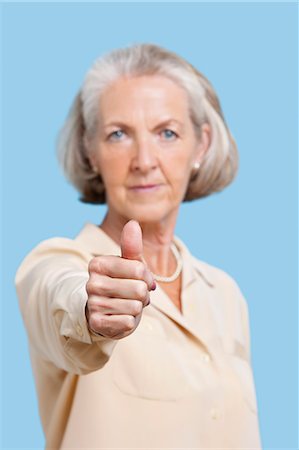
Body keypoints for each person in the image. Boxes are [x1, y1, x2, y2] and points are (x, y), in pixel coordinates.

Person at [15, 43, 262, 449]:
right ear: (90, 150)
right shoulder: (57, 263)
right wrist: (91, 310)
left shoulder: (227, 295)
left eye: (167, 133)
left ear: (200, 145)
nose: (144, 160)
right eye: (118, 134)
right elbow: (58, 295)